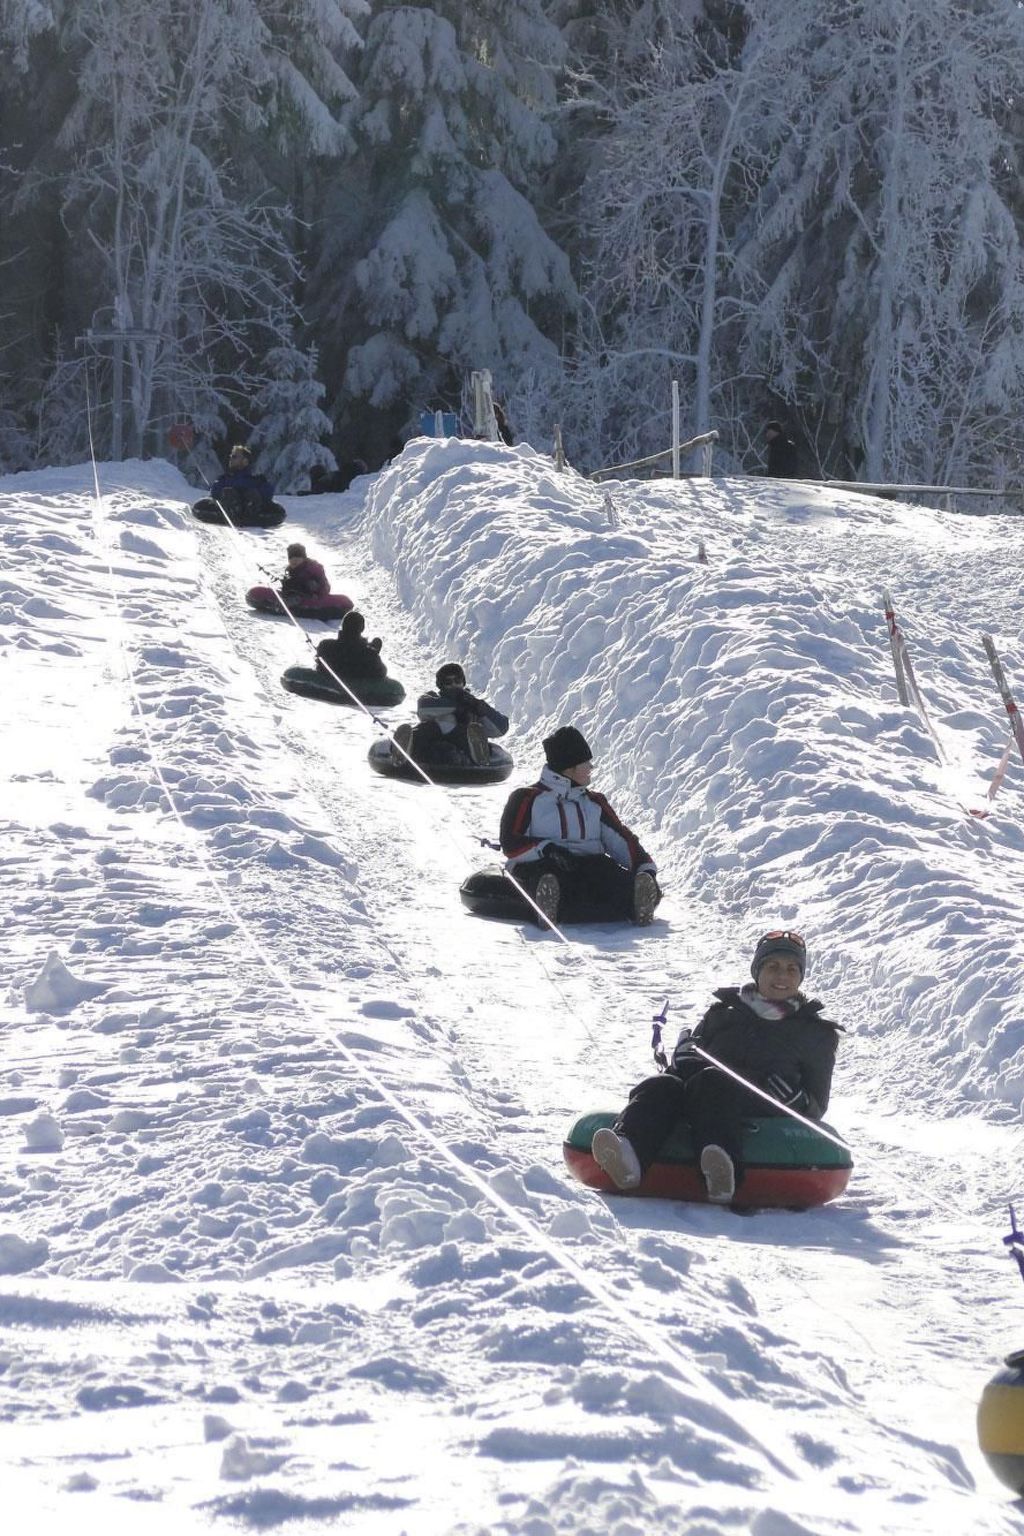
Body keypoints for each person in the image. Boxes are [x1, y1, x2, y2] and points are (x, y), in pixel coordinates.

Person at [591, 930, 841, 1203]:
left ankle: (722, 1168)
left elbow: (818, 1103)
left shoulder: (817, 1033)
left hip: (760, 1110)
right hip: (703, 1096)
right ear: (757, 971)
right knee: (661, 1084)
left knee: (713, 1082)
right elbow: (689, 1067)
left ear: (800, 976)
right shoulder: (723, 1013)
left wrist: (796, 1100)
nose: (782, 976)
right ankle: (628, 1156)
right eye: (773, 967)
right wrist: (682, 1063)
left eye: (792, 969)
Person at [499, 726, 660, 926]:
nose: (591, 767)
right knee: (547, 876)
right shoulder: (527, 798)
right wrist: (547, 849)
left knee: (608, 875)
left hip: (588, 866)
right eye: (586, 763)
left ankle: (638, 898)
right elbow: (510, 842)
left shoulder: (594, 802)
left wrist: (645, 869)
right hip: (545, 862)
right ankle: (546, 903)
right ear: (570, 768)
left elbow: (621, 839)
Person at [403, 663, 510, 767]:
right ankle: (404, 750)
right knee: (423, 731)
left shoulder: (472, 704)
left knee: (468, 735)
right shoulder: (433, 698)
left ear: (463, 682)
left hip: (461, 741)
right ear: (441, 685)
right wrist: (456, 706)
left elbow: (501, 728)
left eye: (457, 681)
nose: (454, 685)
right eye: (448, 682)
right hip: (434, 738)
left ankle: (478, 754)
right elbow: (423, 708)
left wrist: (482, 709)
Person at [315, 610, 387, 684]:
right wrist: (373, 653)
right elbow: (382, 672)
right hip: (358, 680)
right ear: (362, 629)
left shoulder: (326, 646)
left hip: (336, 676)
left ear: (343, 626)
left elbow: (319, 664)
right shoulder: (369, 655)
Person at [210, 444, 275, 518]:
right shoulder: (224, 478)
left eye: (234, 457)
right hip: (228, 515)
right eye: (231, 456)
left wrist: (252, 493)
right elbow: (214, 491)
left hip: (253, 517)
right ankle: (232, 511)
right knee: (228, 492)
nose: (231, 459)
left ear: (245, 461)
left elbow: (268, 492)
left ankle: (250, 512)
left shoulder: (256, 480)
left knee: (252, 493)